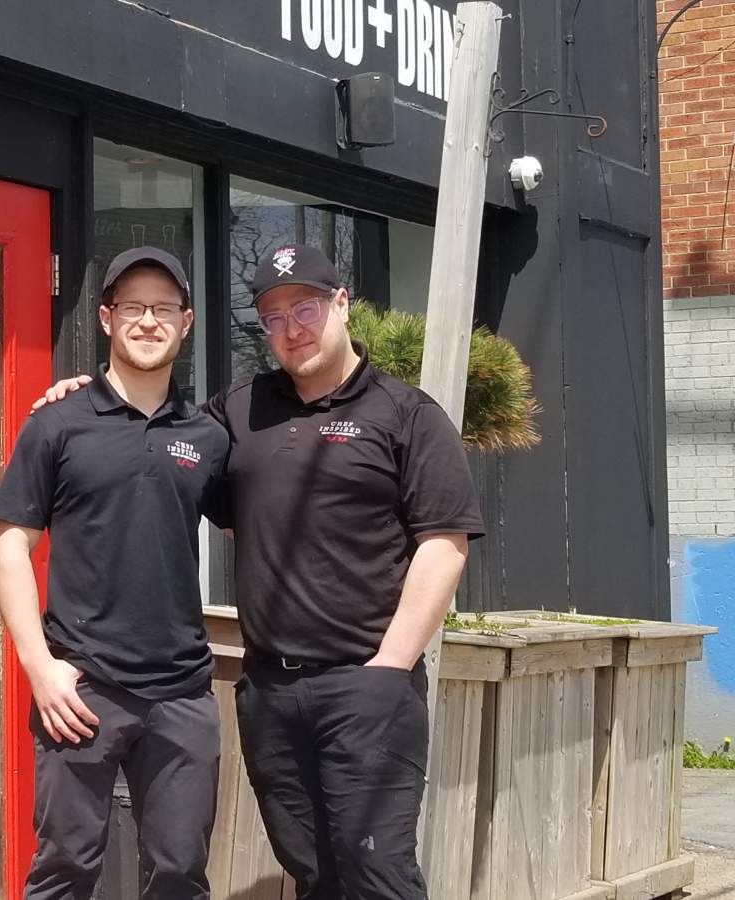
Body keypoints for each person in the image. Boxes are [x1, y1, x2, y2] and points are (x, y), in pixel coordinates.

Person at [37, 243, 484, 900]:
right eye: (272, 317)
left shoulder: (406, 415)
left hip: (365, 682)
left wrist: (390, 666)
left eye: (304, 308)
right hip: (269, 691)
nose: (290, 328)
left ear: (341, 303)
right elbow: (158, 444)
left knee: (377, 872)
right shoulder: (239, 413)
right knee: (311, 870)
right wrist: (82, 394)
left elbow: (444, 544)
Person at [0, 246, 230, 900]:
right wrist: (39, 667)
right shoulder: (57, 425)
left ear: (185, 322)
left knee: (180, 874)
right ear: (104, 318)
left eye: (162, 308)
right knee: (65, 870)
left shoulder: (206, 436)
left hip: (182, 695)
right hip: (81, 689)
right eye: (131, 307)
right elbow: (11, 547)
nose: (146, 321)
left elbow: (261, 518)